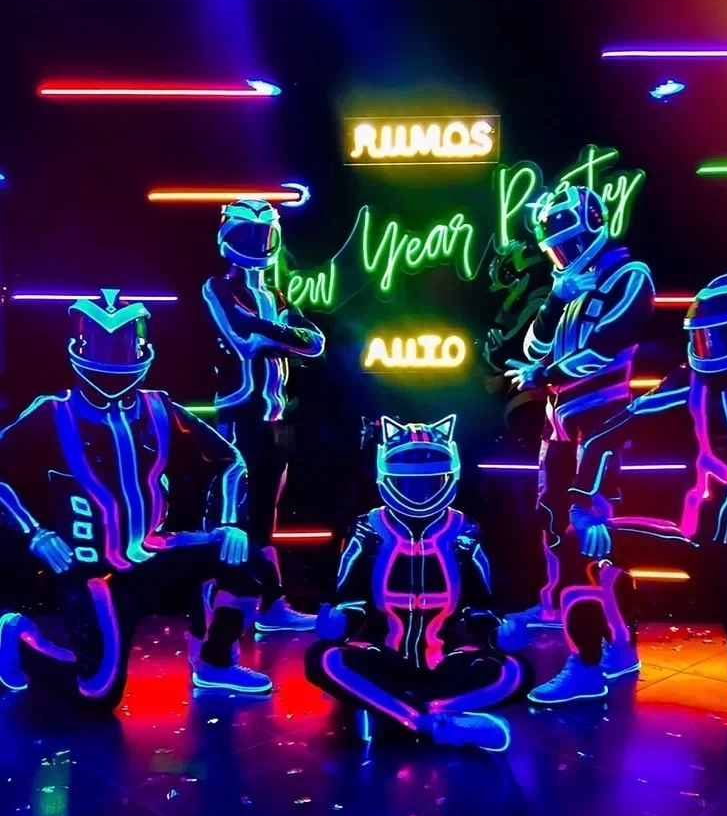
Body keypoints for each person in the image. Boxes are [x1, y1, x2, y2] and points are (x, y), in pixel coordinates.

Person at [545, 269, 727, 706]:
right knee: (577, 542)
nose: (712, 347)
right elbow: (606, 435)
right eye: (705, 337)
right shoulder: (690, 379)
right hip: (690, 537)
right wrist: (582, 505)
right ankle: (594, 659)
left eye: (724, 335)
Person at [0, 290, 279, 709]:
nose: (113, 360)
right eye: (103, 345)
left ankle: (215, 662)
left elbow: (229, 460)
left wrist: (227, 522)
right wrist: (35, 534)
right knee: (97, 692)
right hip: (90, 568)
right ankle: (16, 636)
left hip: (154, 551)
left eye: (122, 345)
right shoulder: (53, 412)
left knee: (248, 560)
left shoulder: (160, 407)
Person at [503, 184, 655, 685]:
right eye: (555, 245)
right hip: (560, 424)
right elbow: (533, 346)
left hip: (602, 423)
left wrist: (544, 372)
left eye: (568, 242)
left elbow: (608, 344)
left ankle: (615, 644)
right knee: (554, 524)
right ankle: (563, 613)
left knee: (596, 535)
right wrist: (554, 301)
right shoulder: (569, 285)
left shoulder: (630, 275)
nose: (562, 252)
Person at [305, 415, 531, 750]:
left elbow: (479, 607)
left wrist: (499, 634)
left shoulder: (466, 530)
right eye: (409, 483)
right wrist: (338, 624)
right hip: (381, 657)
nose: (419, 492)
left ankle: (387, 710)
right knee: (325, 659)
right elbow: (351, 601)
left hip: (448, 661)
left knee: (514, 671)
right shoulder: (366, 529)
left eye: (429, 483)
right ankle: (434, 722)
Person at [203, 197, 325, 633]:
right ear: (227, 236)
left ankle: (270, 603)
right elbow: (240, 337)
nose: (256, 242)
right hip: (238, 413)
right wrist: (283, 336)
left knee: (263, 516)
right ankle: (217, 607)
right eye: (247, 233)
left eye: (263, 234)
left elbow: (315, 342)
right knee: (230, 515)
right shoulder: (218, 288)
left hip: (275, 419)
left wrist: (267, 333)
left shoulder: (274, 295)